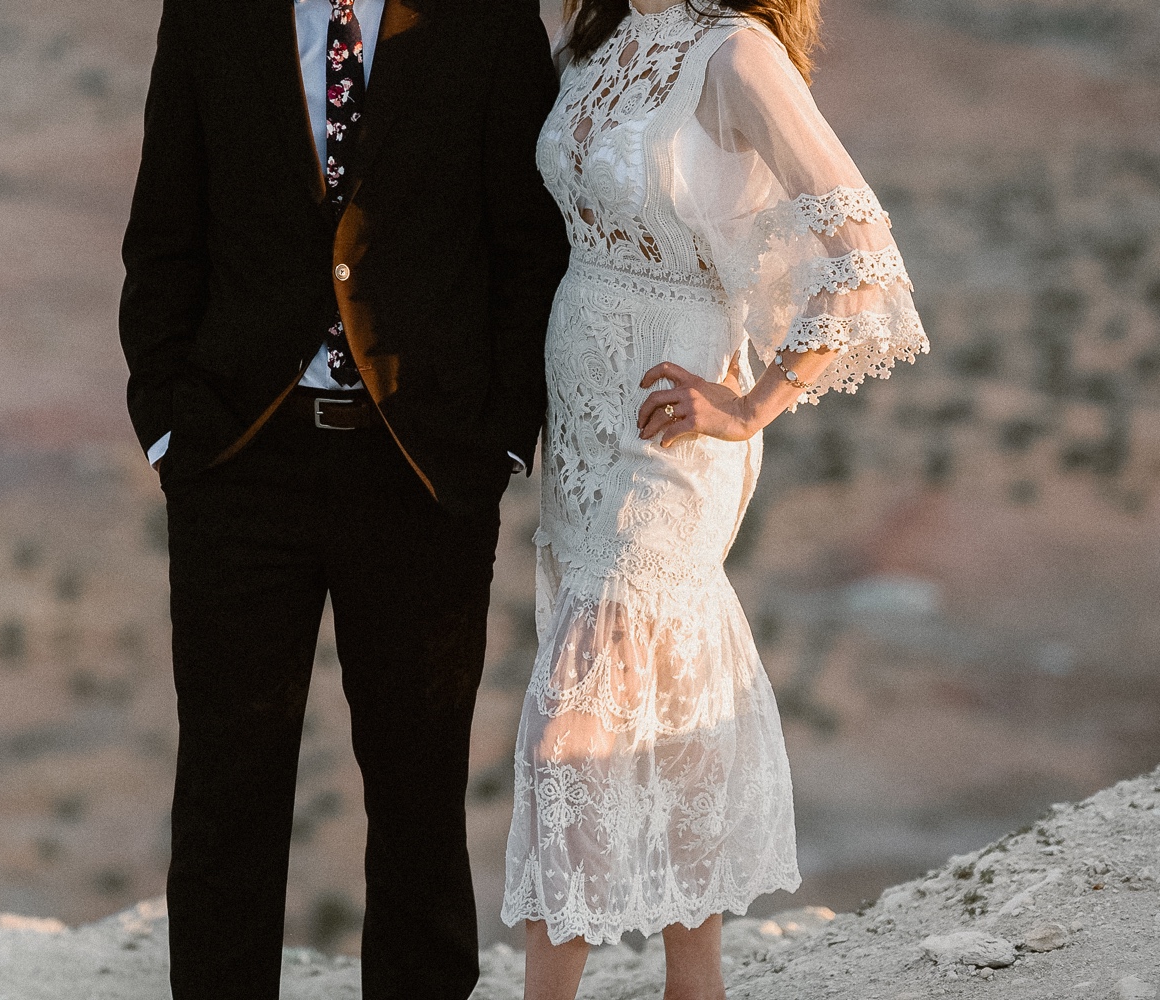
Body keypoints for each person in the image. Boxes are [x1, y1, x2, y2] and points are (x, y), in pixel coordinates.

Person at [117, 0, 569, 996]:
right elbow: (163, 233)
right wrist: (169, 431)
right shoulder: (208, 17)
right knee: (228, 787)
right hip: (240, 464)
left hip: (418, 471)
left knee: (418, 791)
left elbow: (526, 246)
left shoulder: (487, 21)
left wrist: (496, 435)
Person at [500, 1, 929, 998]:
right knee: (653, 694)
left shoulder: (734, 53)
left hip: (672, 424)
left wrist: (753, 402)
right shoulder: (590, 28)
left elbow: (863, 252)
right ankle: (698, 986)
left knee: (573, 735)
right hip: (582, 421)